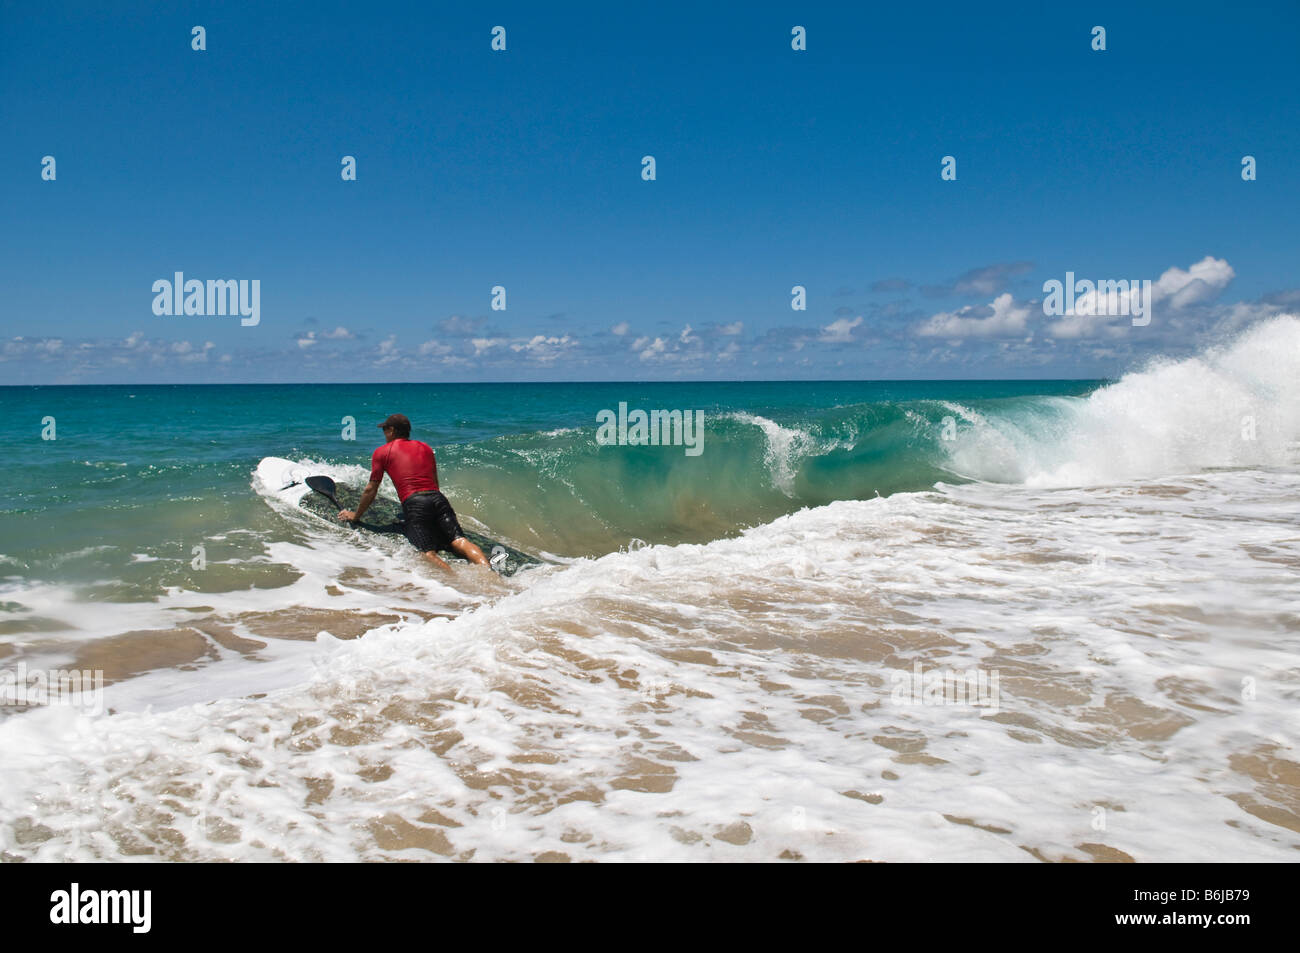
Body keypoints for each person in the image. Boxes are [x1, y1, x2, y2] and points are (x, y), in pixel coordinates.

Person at [338, 413, 489, 571]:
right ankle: (489, 572)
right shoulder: (426, 448)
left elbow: (371, 489)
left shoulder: (382, 452)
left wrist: (356, 515)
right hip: (438, 499)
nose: (383, 434)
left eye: (384, 430)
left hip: (415, 504)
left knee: (427, 553)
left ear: (391, 430)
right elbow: (435, 482)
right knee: (459, 541)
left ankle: (459, 583)